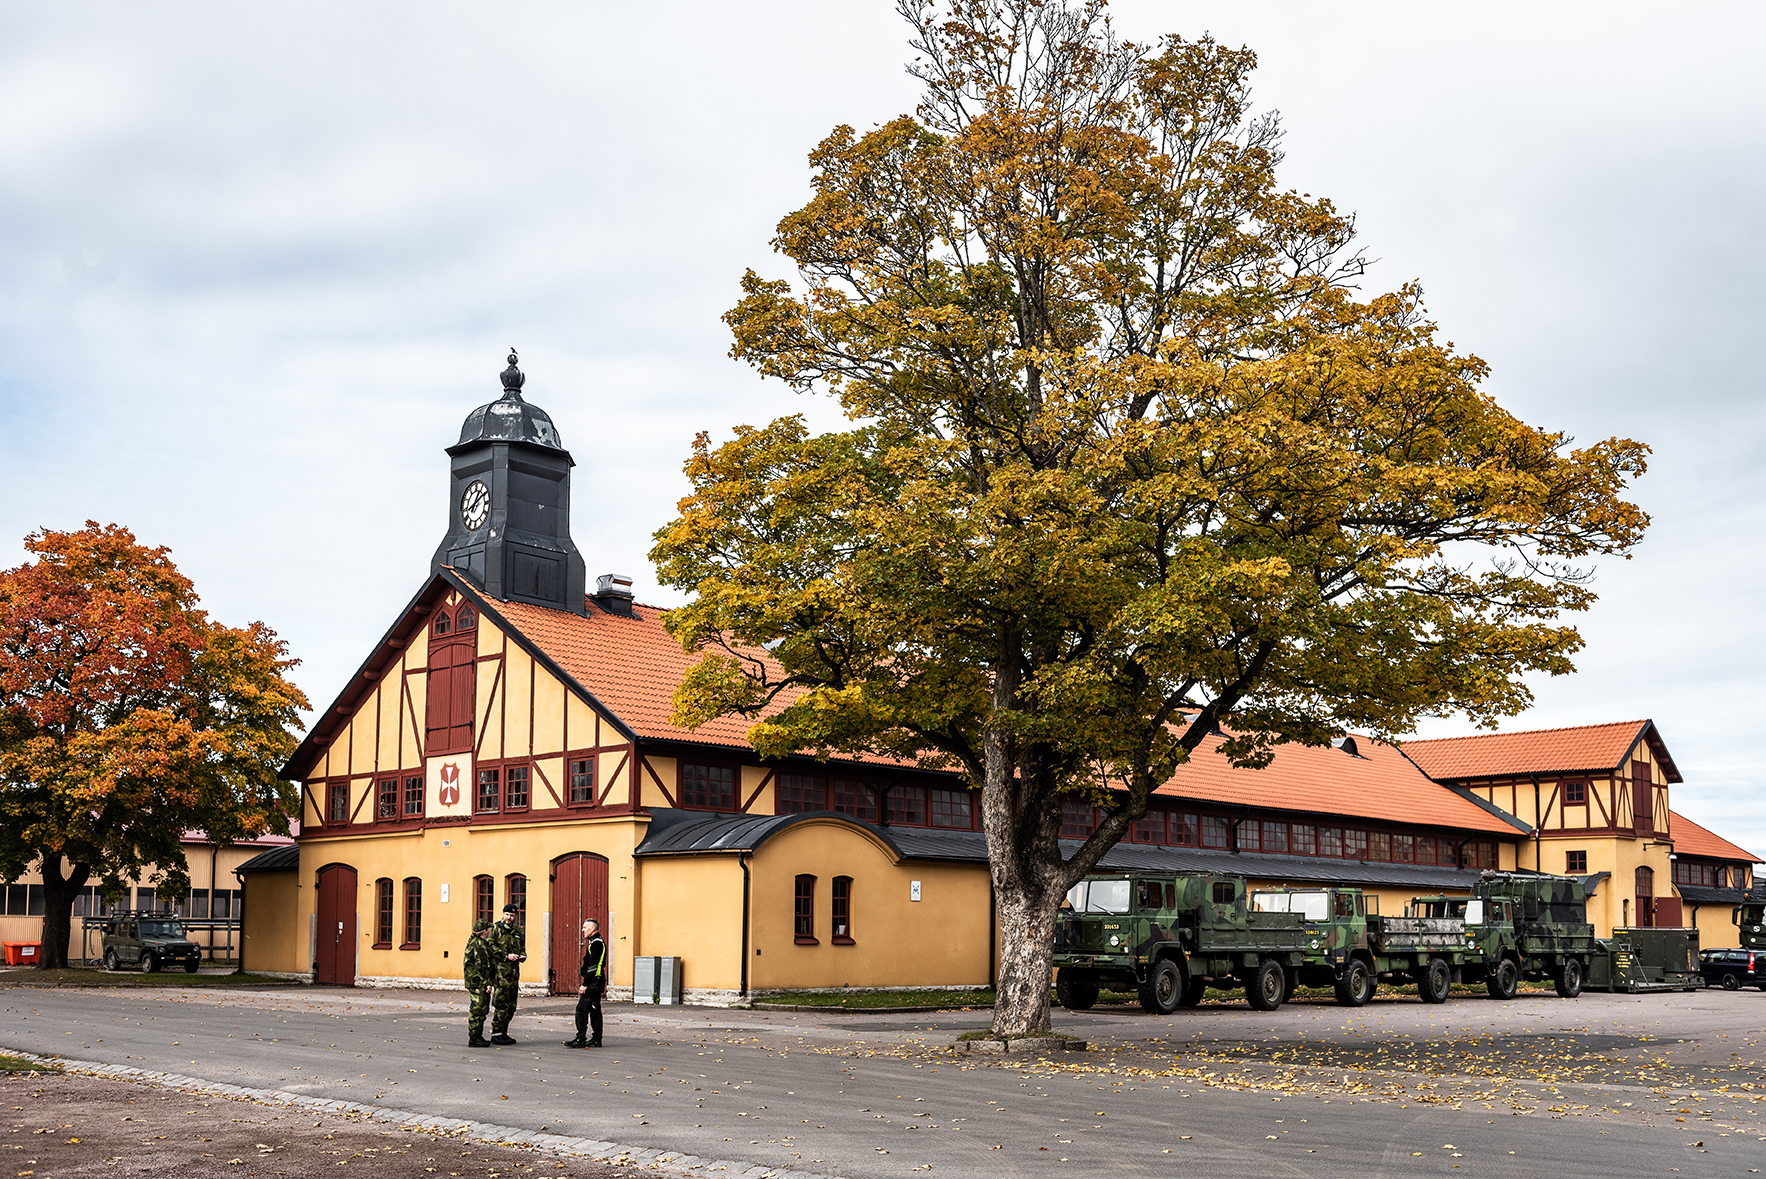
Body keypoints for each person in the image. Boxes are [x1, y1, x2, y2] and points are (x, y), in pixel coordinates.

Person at [563, 918, 606, 1048]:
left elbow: (593, 966)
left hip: (593, 982)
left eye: (585, 927)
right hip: (596, 982)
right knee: (595, 1010)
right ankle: (596, 1039)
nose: (583, 930)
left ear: (592, 929)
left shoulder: (597, 943)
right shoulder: (594, 942)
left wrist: (585, 984)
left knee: (581, 1010)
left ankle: (580, 1038)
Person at [488, 902, 527, 1045]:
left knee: (511, 1006)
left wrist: (522, 956)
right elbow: (490, 946)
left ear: (515, 916)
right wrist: (506, 955)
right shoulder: (496, 928)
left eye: (511, 915)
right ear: (503, 914)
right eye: (507, 915)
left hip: (513, 975)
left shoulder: (516, 931)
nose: (509, 918)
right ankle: (496, 1034)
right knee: (501, 1004)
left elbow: (522, 947)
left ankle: (503, 1032)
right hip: (501, 974)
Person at [463, 918, 496, 1048]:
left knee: (481, 1009)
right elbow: (482, 966)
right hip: (478, 982)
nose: (490, 931)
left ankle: (477, 1036)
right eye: (489, 929)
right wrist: (487, 983)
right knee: (478, 1010)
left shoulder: (480, 943)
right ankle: (474, 1037)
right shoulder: (479, 945)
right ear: (484, 931)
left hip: (477, 981)